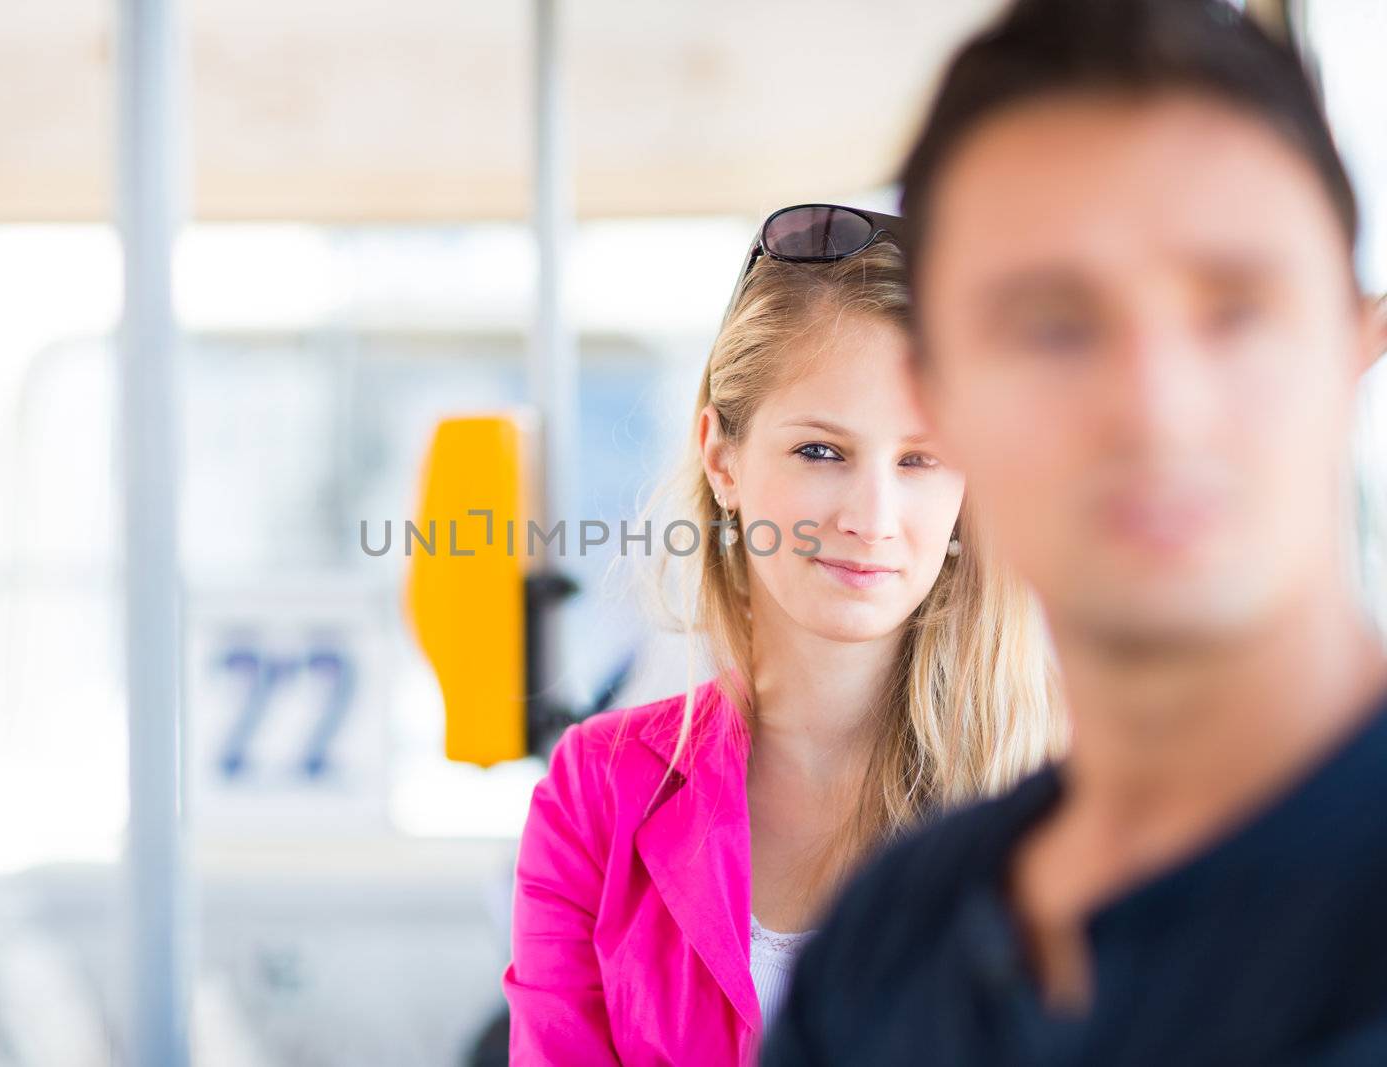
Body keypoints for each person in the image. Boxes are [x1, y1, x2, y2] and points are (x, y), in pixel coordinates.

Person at [762, 1, 1387, 1064]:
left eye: (1234, 307)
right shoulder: (889, 941)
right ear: (940, 401)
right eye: (1052, 323)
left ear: (1354, 351)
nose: (1156, 405)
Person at [501, 204, 1066, 1065]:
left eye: (920, 460)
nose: (872, 518)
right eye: (821, 452)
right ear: (722, 460)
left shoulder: (1060, 808)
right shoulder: (597, 797)